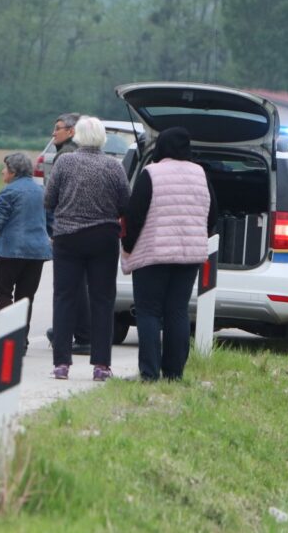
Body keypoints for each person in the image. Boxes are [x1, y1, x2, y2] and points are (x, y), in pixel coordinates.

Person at [121, 126, 218, 381]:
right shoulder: (201, 174)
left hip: (153, 254)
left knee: (149, 311)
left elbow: (134, 216)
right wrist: (198, 236)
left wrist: (128, 246)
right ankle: (174, 374)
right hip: (189, 256)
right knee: (177, 311)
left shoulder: (151, 174)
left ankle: (150, 373)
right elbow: (213, 215)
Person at [44, 116, 129, 381]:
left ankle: (61, 363)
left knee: (64, 298)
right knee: (103, 300)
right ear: (102, 138)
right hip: (103, 237)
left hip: (68, 237)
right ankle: (101, 365)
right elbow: (125, 204)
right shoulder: (114, 167)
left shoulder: (65, 162)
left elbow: (48, 200)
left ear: (77, 136)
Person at [0, 152, 51, 351]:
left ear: (13, 171)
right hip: (37, 252)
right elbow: (51, 221)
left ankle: (14, 334)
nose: (2, 172)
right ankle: (22, 340)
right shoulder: (42, 191)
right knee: (26, 296)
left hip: (11, 251)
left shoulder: (8, 192)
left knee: (2, 291)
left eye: (4, 168)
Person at [44, 112, 91, 356]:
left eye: (58, 128)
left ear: (71, 131)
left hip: (68, 227)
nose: (54, 133)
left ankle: (80, 334)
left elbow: (53, 196)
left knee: (69, 286)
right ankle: (75, 331)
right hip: (91, 228)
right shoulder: (87, 154)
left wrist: (52, 228)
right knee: (79, 284)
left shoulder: (66, 155)